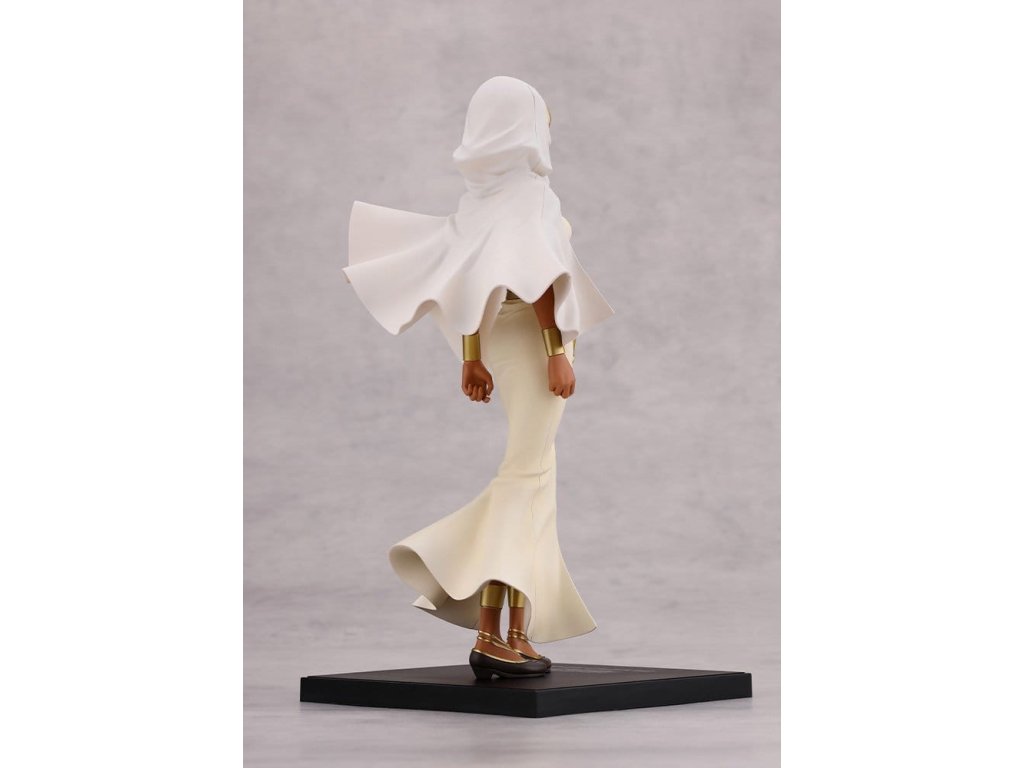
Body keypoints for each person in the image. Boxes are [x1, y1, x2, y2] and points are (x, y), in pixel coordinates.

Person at [343, 76, 614, 679]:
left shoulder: (481, 197)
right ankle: (488, 628)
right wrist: (556, 350)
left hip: (498, 342)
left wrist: (471, 356)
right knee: (523, 479)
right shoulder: (532, 196)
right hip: (536, 343)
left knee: (535, 480)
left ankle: (516, 627)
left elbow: (467, 279)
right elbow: (541, 277)